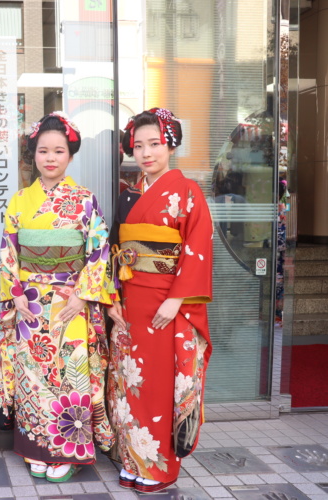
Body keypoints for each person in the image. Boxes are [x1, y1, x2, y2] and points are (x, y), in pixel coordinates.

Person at [0, 111, 115, 483]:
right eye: (43, 151)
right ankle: (36, 447)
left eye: (59, 151)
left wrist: (85, 294)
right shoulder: (20, 202)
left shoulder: (85, 200)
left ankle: (67, 449)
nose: (50, 158)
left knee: (70, 373)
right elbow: (8, 251)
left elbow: (99, 249)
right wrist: (16, 295)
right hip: (29, 300)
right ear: (34, 156)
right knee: (32, 375)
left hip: (71, 300)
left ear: (70, 155)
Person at [106, 108, 213, 493]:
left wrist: (178, 298)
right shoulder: (128, 195)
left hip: (167, 306)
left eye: (154, 144)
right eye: (138, 146)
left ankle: (160, 469)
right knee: (131, 383)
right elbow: (116, 249)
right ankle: (133, 459)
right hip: (130, 303)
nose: (146, 152)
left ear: (171, 144)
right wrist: (111, 298)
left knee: (159, 385)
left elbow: (197, 249)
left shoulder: (187, 192)